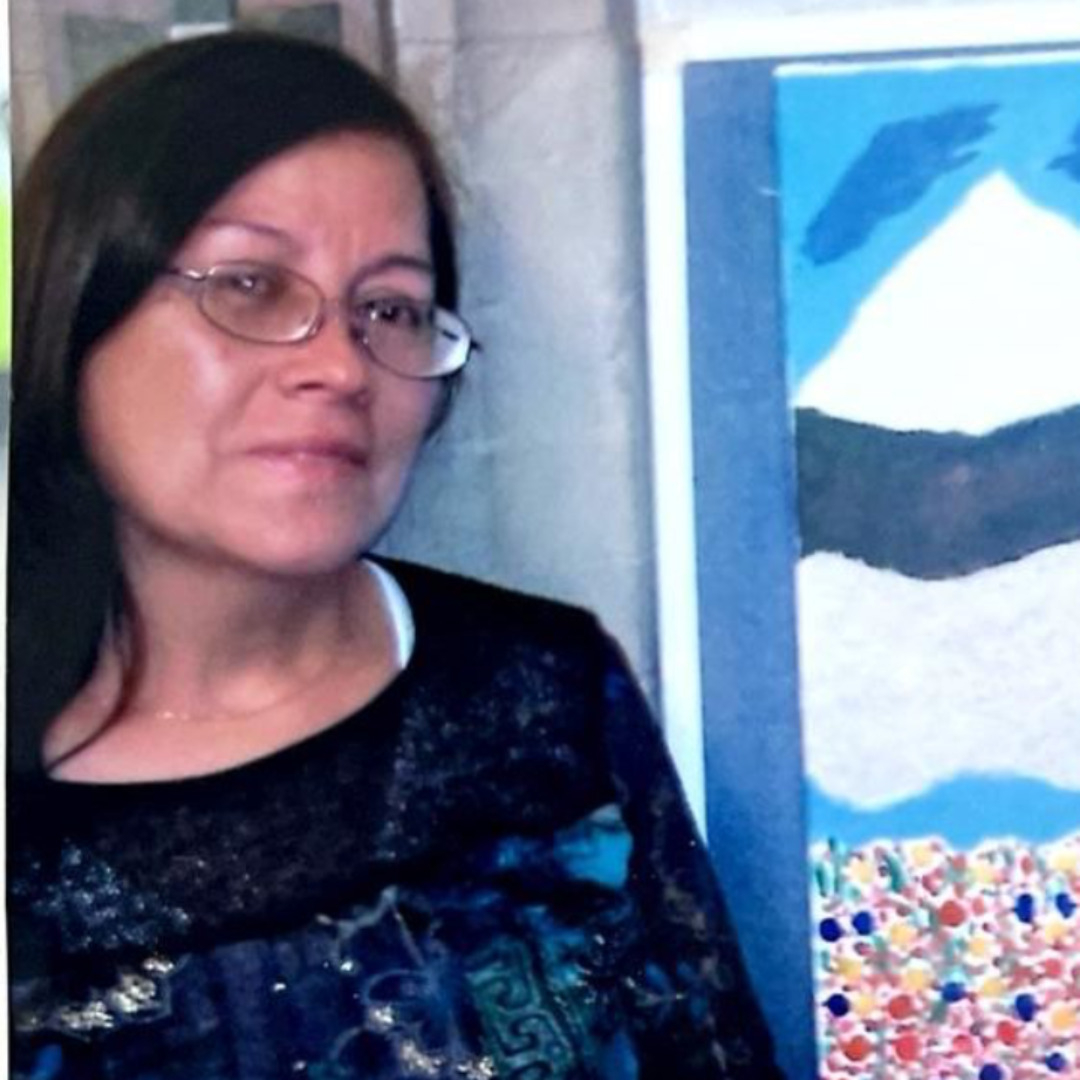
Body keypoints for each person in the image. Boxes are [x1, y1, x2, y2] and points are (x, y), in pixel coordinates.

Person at [7, 31, 784, 1080]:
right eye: (250, 286)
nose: (339, 366)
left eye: (391, 309)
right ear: (75, 314)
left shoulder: (542, 696)